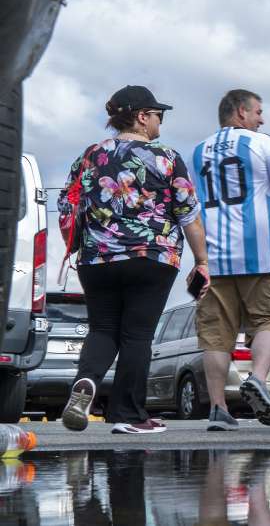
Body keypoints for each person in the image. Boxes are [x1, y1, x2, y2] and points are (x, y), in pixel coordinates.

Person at [58, 85, 211, 434]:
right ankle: (128, 414)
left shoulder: (90, 155)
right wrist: (201, 261)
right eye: (158, 115)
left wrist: (86, 240)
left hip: (96, 259)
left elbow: (67, 203)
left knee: (102, 328)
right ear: (142, 117)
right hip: (150, 258)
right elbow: (188, 213)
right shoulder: (166, 157)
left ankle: (86, 381)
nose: (161, 122)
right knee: (137, 335)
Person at [190, 89, 270, 430]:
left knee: (216, 334)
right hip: (261, 256)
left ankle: (219, 408)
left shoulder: (198, 151)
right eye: (258, 112)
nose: (261, 119)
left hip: (213, 258)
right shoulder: (263, 143)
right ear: (241, 112)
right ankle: (258, 378)